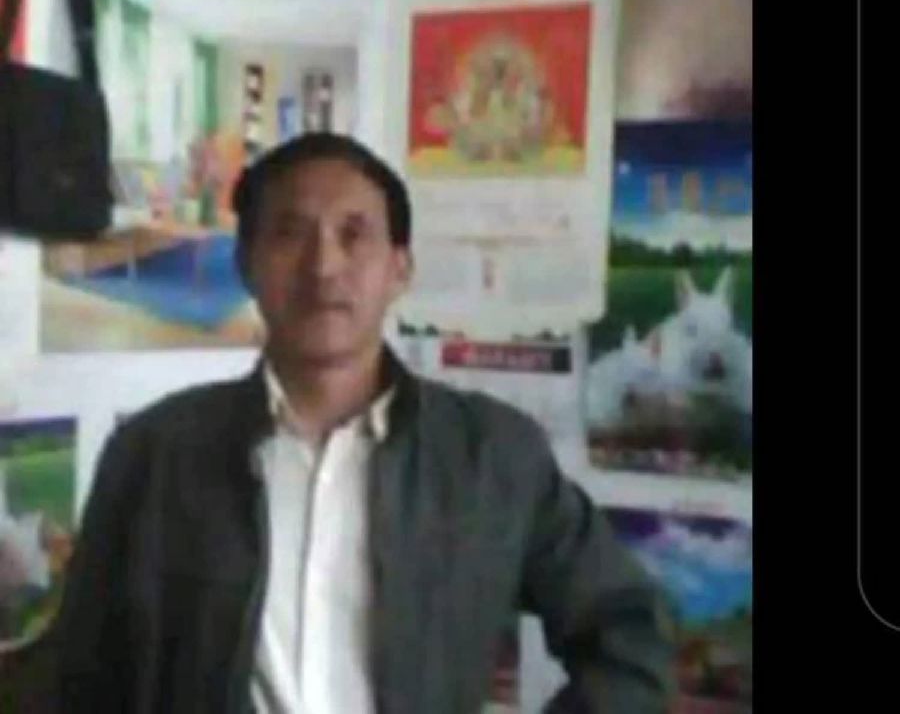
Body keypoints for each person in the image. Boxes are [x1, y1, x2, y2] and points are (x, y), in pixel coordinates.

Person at [55, 133, 675, 713]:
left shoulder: (492, 456)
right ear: (246, 264)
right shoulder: (154, 454)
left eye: (354, 235)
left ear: (399, 269)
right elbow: (82, 675)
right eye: (290, 233)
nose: (323, 266)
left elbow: (630, 632)